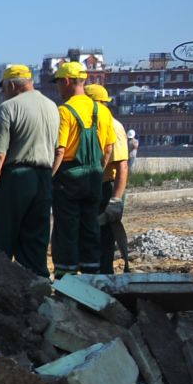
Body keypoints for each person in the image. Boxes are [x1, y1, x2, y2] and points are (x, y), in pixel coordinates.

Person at [0, 64, 60, 274]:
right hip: (43, 178)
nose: (2, 94)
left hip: (16, 178)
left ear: (13, 85)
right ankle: (36, 286)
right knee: (35, 239)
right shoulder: (52, 107)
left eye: (3, 89)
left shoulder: (8, 108)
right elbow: (58, 149)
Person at [50, 61, 117, 277]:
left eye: (58, 83)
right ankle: (91, 274)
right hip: (94, 177)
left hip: (69, 177)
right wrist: (97, 171)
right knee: (90, 226)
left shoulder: (65, 111)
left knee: (67, 228)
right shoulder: (102, 111)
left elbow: (59, 150)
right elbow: (108, 149)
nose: (58, 88)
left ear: (67, 81)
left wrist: (49, 178)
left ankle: (65, 276)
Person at [87, 83, 131, 272]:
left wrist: (115, 200)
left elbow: (122, 165)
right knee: (92, 240)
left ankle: (104, 277)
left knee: (104, 241)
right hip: (96, 187)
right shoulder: (93, 126)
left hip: (108, 189)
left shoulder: (113, 126)